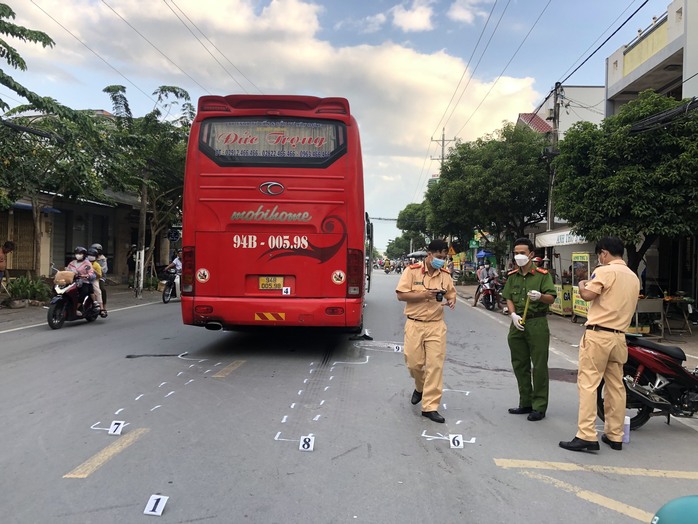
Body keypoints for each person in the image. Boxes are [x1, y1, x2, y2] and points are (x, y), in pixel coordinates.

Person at [559, 237, 640, 452]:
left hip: (598, 335)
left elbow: (587, 295)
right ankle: (615, 435)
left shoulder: (604, 271)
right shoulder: (633, 276)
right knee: (616, 386)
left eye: (599, 255)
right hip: (619, 336)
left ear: (604, 253)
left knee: (588, 384)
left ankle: (586, 435)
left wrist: (582, 283)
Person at [395, 239, 456, 423]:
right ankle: (420, 387)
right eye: (438, 257)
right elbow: (400, 295)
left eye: (444, 257)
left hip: (436, 325)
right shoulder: (411, 271)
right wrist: (424, 294)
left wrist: (452, 300)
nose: (441, 260)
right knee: (414, 363)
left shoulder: (445, 274)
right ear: (429, 254)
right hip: (414, 323)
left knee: (435, 366)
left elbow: (450, 293)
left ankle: (430, 407)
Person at [501, 238, 556, 422]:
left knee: (539, 366)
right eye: (516, 253)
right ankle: (525, 402)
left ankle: (539, 406)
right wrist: (513, 314)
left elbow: (551, 298)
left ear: (531, 254)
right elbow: (508, 296)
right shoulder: (512, 276)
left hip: (536, 323)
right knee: (519, 364)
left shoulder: (542, 275)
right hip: (517, 324)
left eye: (523, 253)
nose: (519, 256)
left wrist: (541, 296)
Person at [67, 246, 96, 313]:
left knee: (84, 292)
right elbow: (67, 270)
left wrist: (86, 275)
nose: (78, 255)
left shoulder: (87, 263)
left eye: (80, 254)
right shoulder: (72, 263)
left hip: (84, 281)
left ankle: (77, 307)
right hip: (73, 281)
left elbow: (91, 272)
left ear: (84, 255)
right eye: (77, 253)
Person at [87, 247, 106, 317]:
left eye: (92, 256)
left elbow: (99, 275)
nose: (90, 257)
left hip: (93, 279)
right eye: (89, 255)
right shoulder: (84, 262)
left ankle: (101, 308)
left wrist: (93, 270)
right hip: (83, 278)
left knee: (98, 291)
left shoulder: (97, 265)